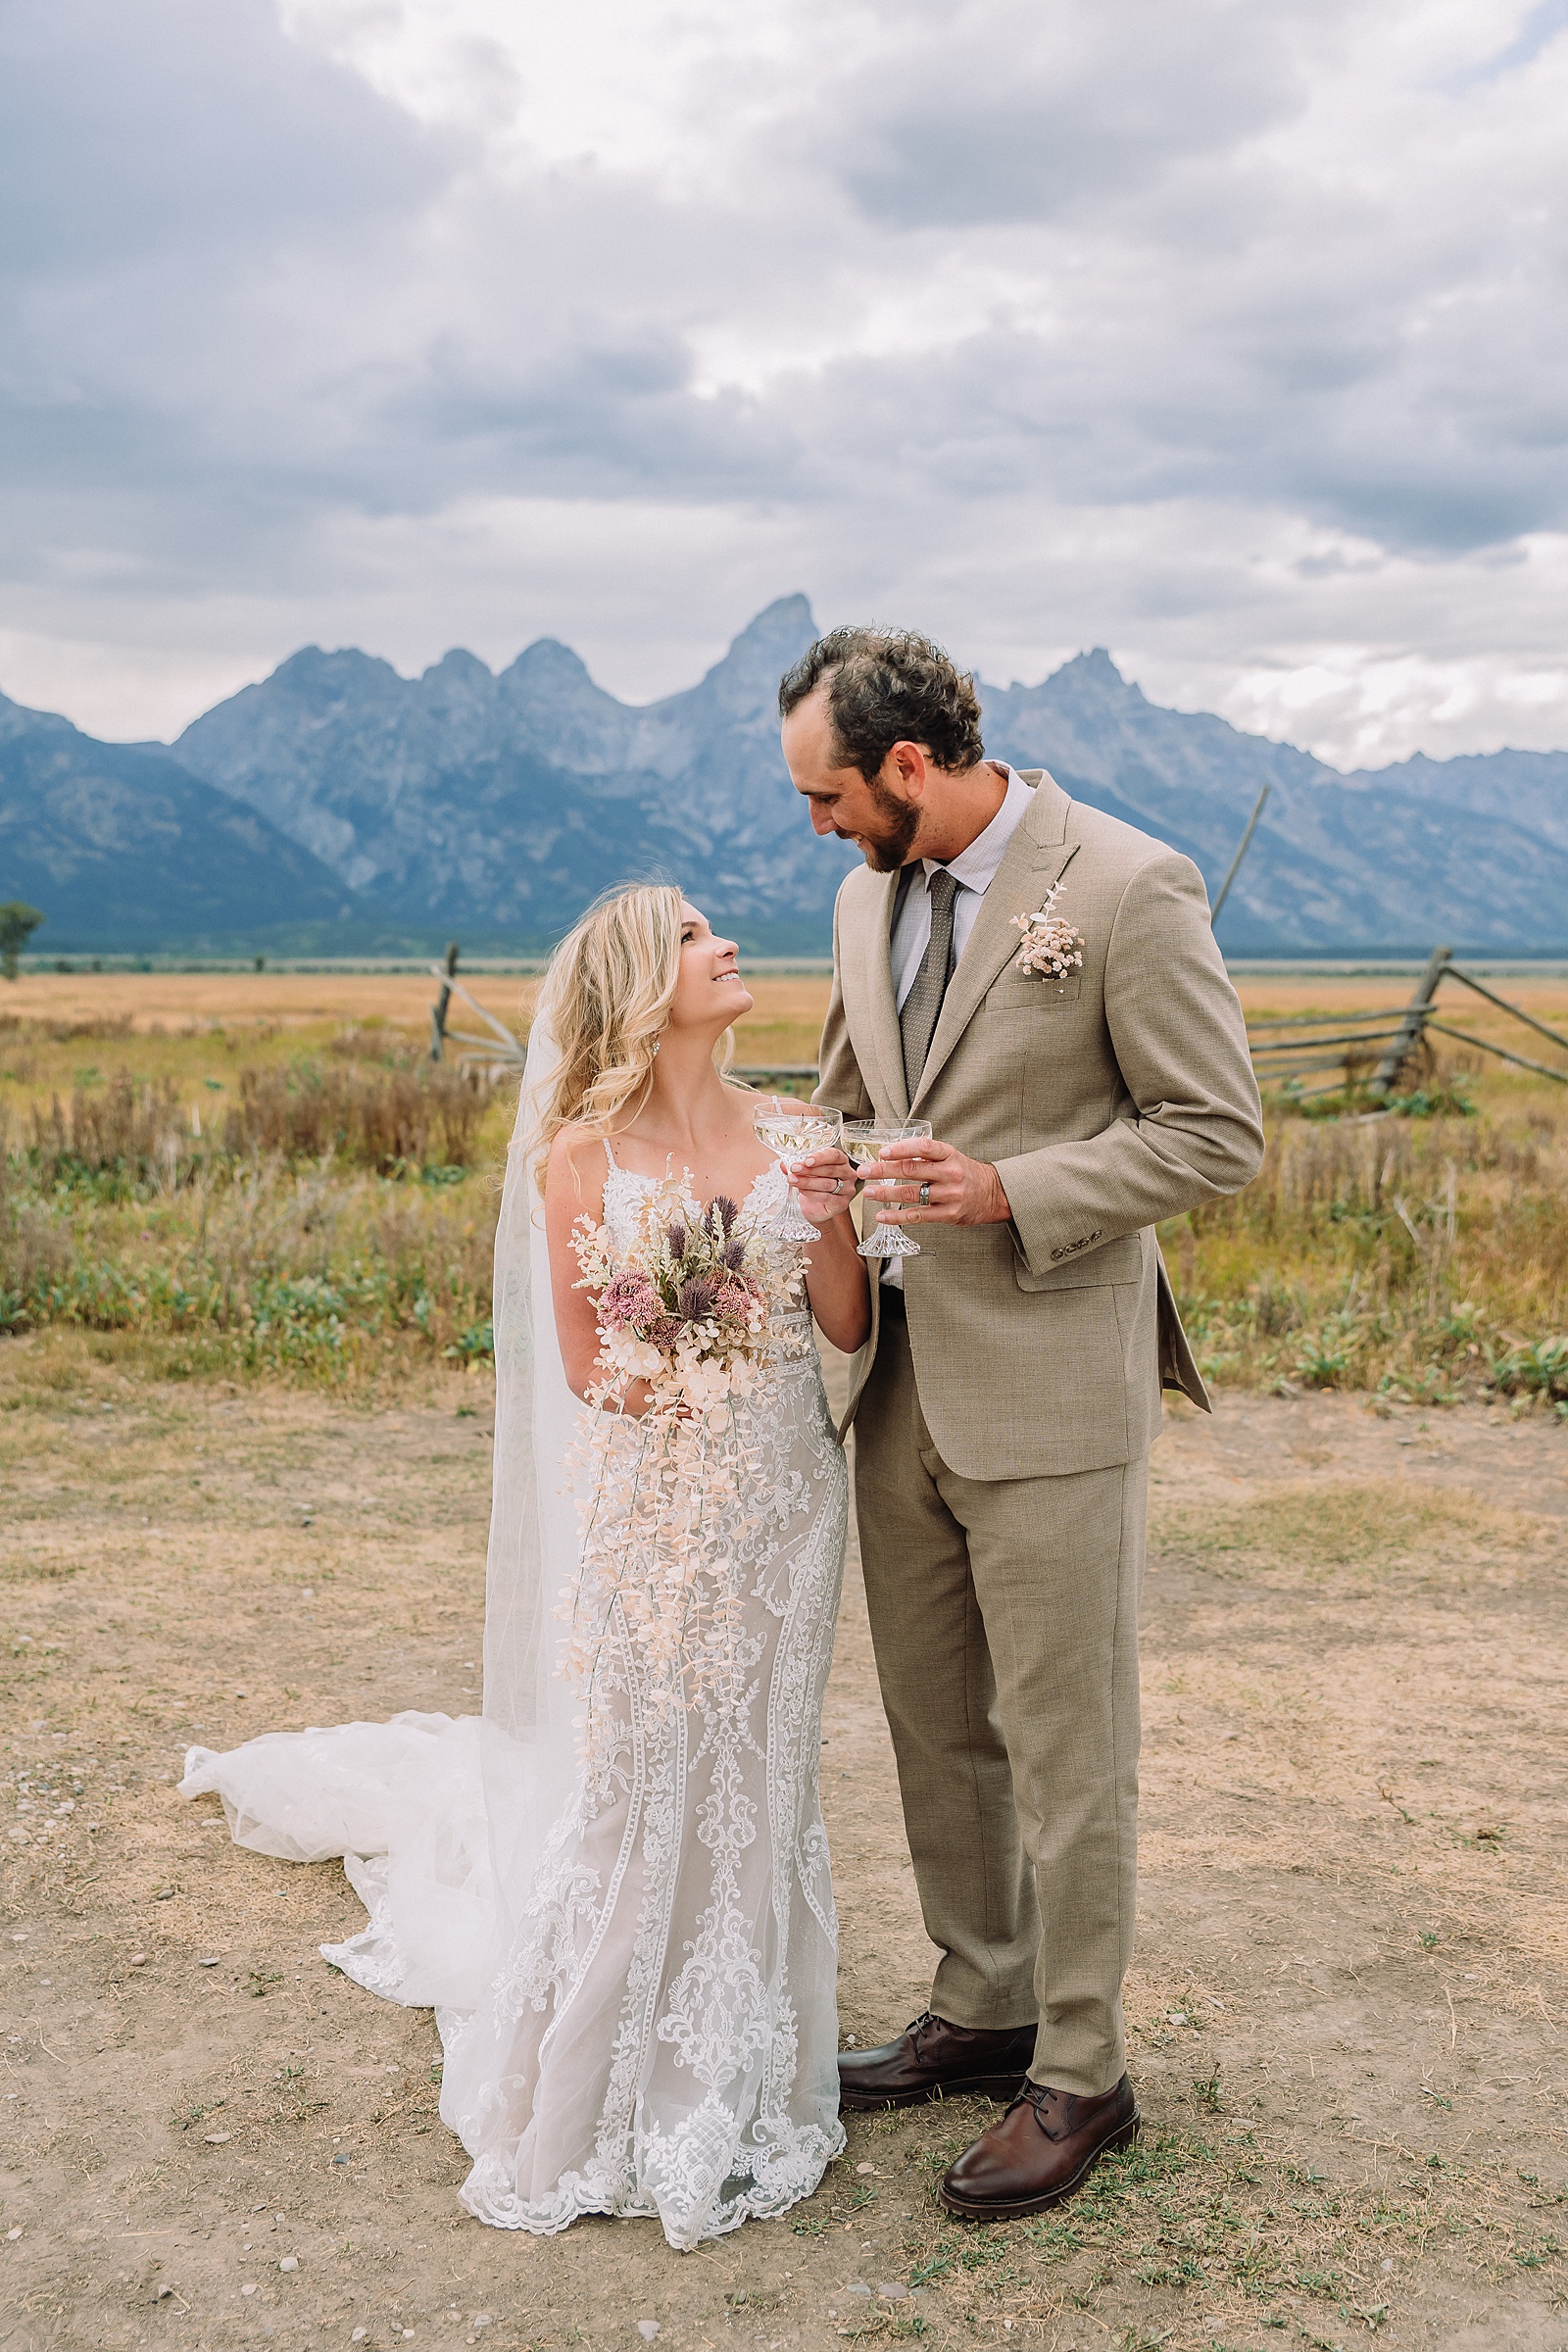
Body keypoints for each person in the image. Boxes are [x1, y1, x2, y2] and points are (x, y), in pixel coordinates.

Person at [180, 883, 869, 2250]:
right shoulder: (576, 1160)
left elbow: (846, 1321)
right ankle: (591, 2087)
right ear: (637, 980)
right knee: (639, 1778)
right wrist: (686, 1356)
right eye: (691, 934)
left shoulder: (803, 1134)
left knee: (755, 1770)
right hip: (646, 1518)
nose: (725, 943)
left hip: (786, 1508)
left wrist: (834, 1219)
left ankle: (742, 2054)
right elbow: (580, 1370)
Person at [780, 627, 1263, 2221]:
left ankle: (1081, 2071)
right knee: (935, 1725)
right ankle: (980, 2004)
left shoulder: (1130, 886)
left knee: (1069, 1743)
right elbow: (849, 1094)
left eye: (829, 792)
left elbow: (1213, 1132)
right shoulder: (864, 895)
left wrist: (1012, 1191)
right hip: (894, 1378)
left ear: (908, 766)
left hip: (1053, 1380)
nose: (820, 827)